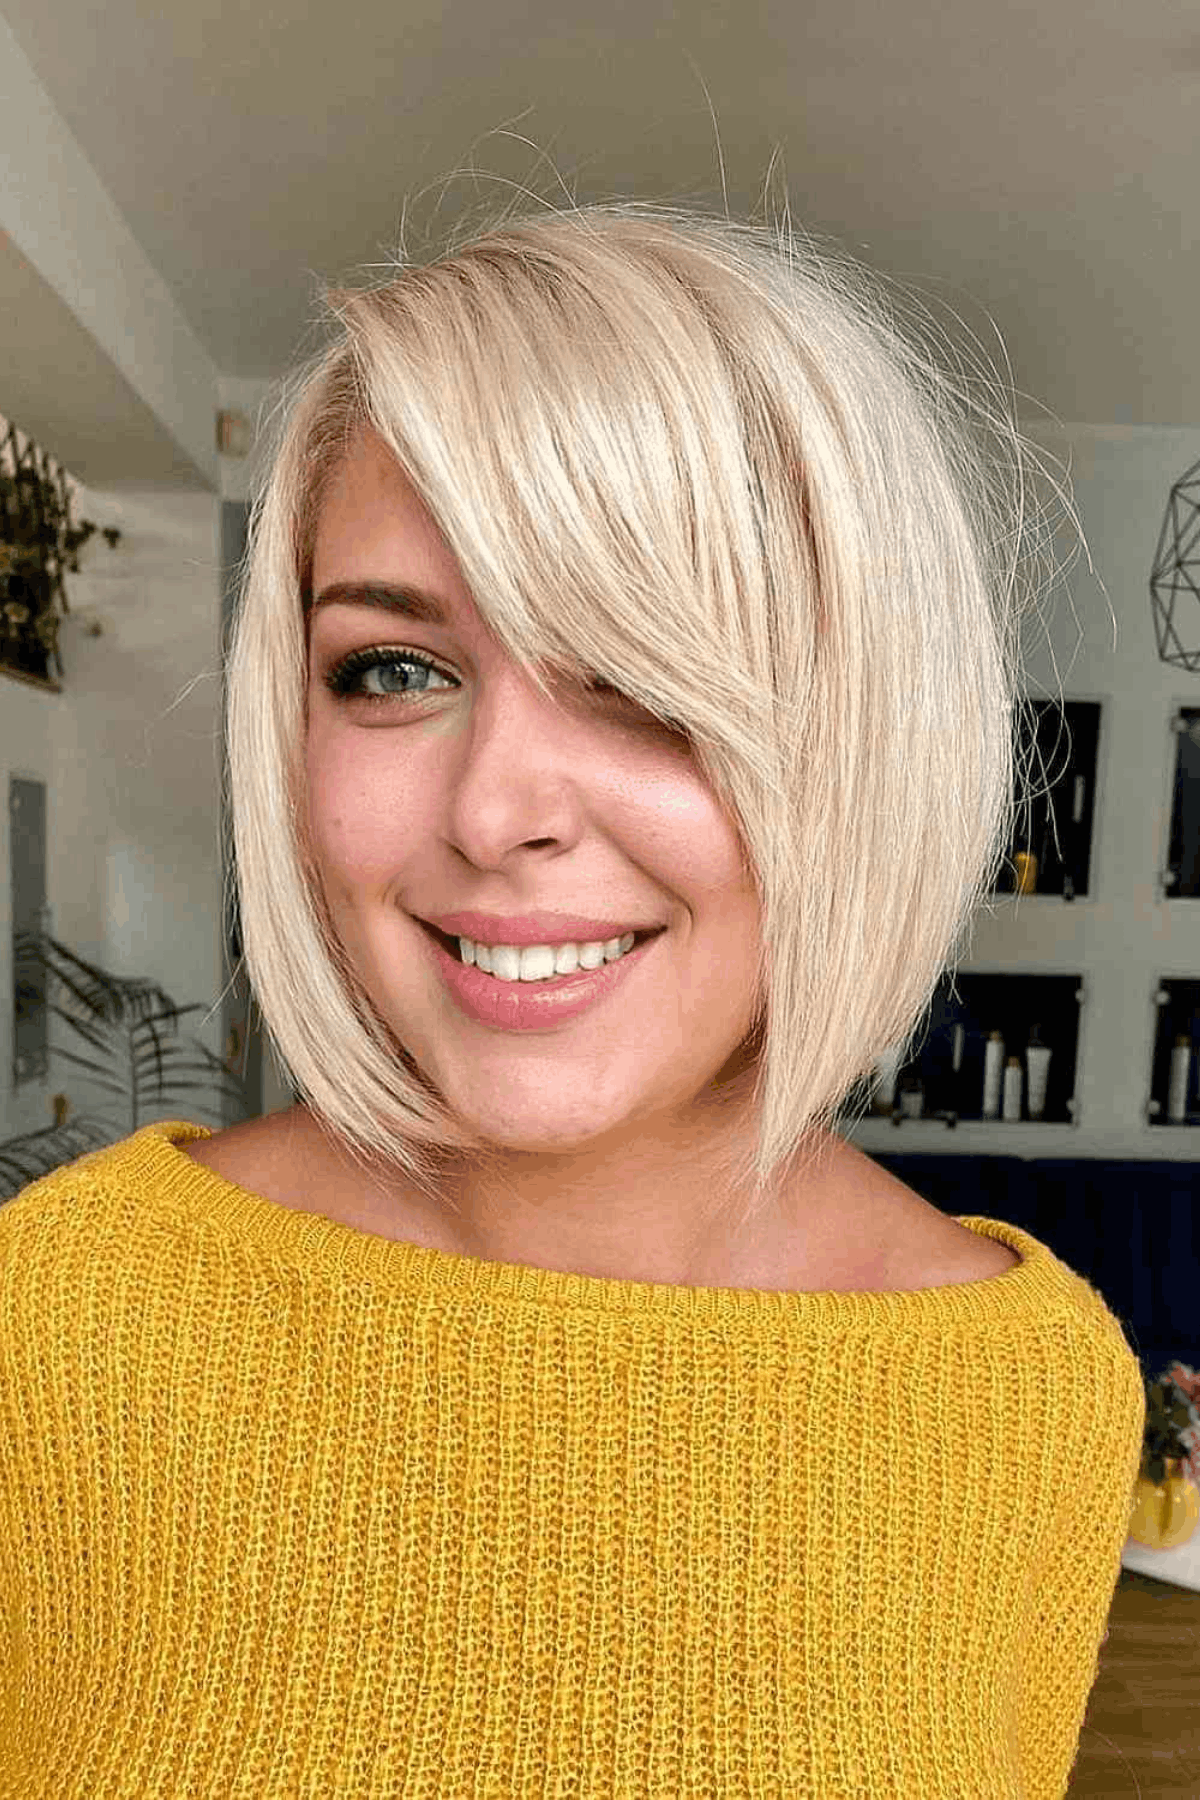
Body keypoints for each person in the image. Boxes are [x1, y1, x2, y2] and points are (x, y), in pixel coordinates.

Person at [0, 197, 1145, 1796]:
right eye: (397, 671)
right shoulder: (56, 1313)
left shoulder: (1028, 1393)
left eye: (641, 677)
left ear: (863, 737)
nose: (495, 810)